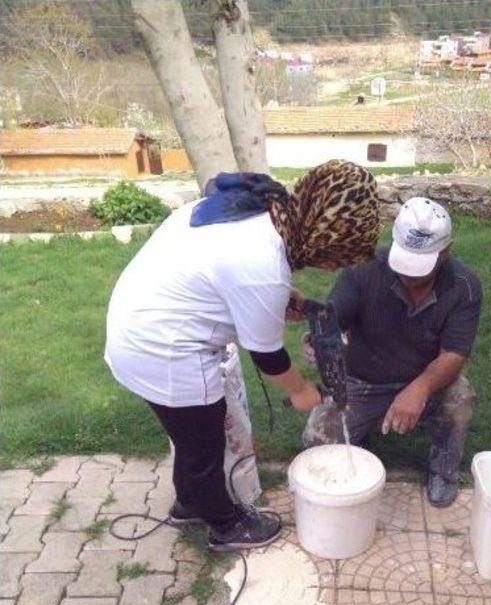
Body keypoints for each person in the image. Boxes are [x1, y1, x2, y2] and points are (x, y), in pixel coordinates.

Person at [105, 161, 379, 551]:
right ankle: (226, 525)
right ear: (323, 238)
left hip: (137, 323)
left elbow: (222, 275)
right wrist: (302, 391)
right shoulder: (262, 264)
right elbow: (267, 354)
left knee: (189, 435)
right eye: (336, 255)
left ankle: (189, 503)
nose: (333, 266)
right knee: (203, 443)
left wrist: (279, 298)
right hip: (163, 348)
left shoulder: (260, 212)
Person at [301, 197, 482, 507]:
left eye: (420, 266)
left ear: (445, 252)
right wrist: (318, 337)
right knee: (316, 440)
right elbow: (332, 318)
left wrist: (419, 389)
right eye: (405, 262)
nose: (409, 275)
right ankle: (362, 440)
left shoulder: (463, 286)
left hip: (426, 378)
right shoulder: (363, 270)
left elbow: (454, 355)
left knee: (460, 396)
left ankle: (443, 468)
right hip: (362, 380)